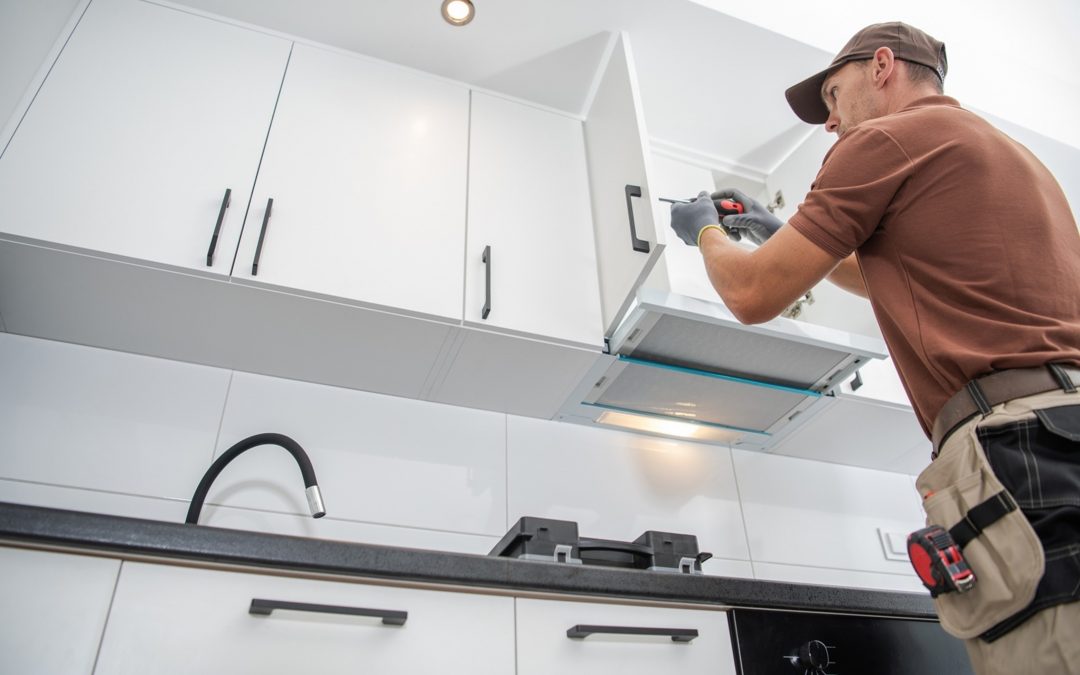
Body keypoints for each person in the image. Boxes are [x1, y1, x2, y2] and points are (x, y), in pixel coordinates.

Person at [669, 21, 1080, 675]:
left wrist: (705, 233)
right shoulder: (1015, 158)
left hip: (1019, 451)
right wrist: (778, 230)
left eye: (833, 96)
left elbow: (750, 295)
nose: (831, 123)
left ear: (881, 66)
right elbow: (903, 277)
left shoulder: (885, 138)